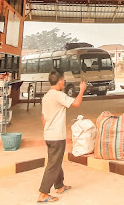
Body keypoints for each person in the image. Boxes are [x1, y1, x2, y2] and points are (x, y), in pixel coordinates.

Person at [37, 69, 86, 203]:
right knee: (53, 163)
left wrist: (48, 130)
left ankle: (60, 186)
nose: (64, 82)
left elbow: (43, 117)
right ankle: (43, 193)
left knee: (55, 160)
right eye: (63, 80)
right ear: (59, 82)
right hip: (57, 136)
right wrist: (82, 90)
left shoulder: (46, 96)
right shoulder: (58, 95)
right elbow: (76, 103)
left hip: (49, 134)